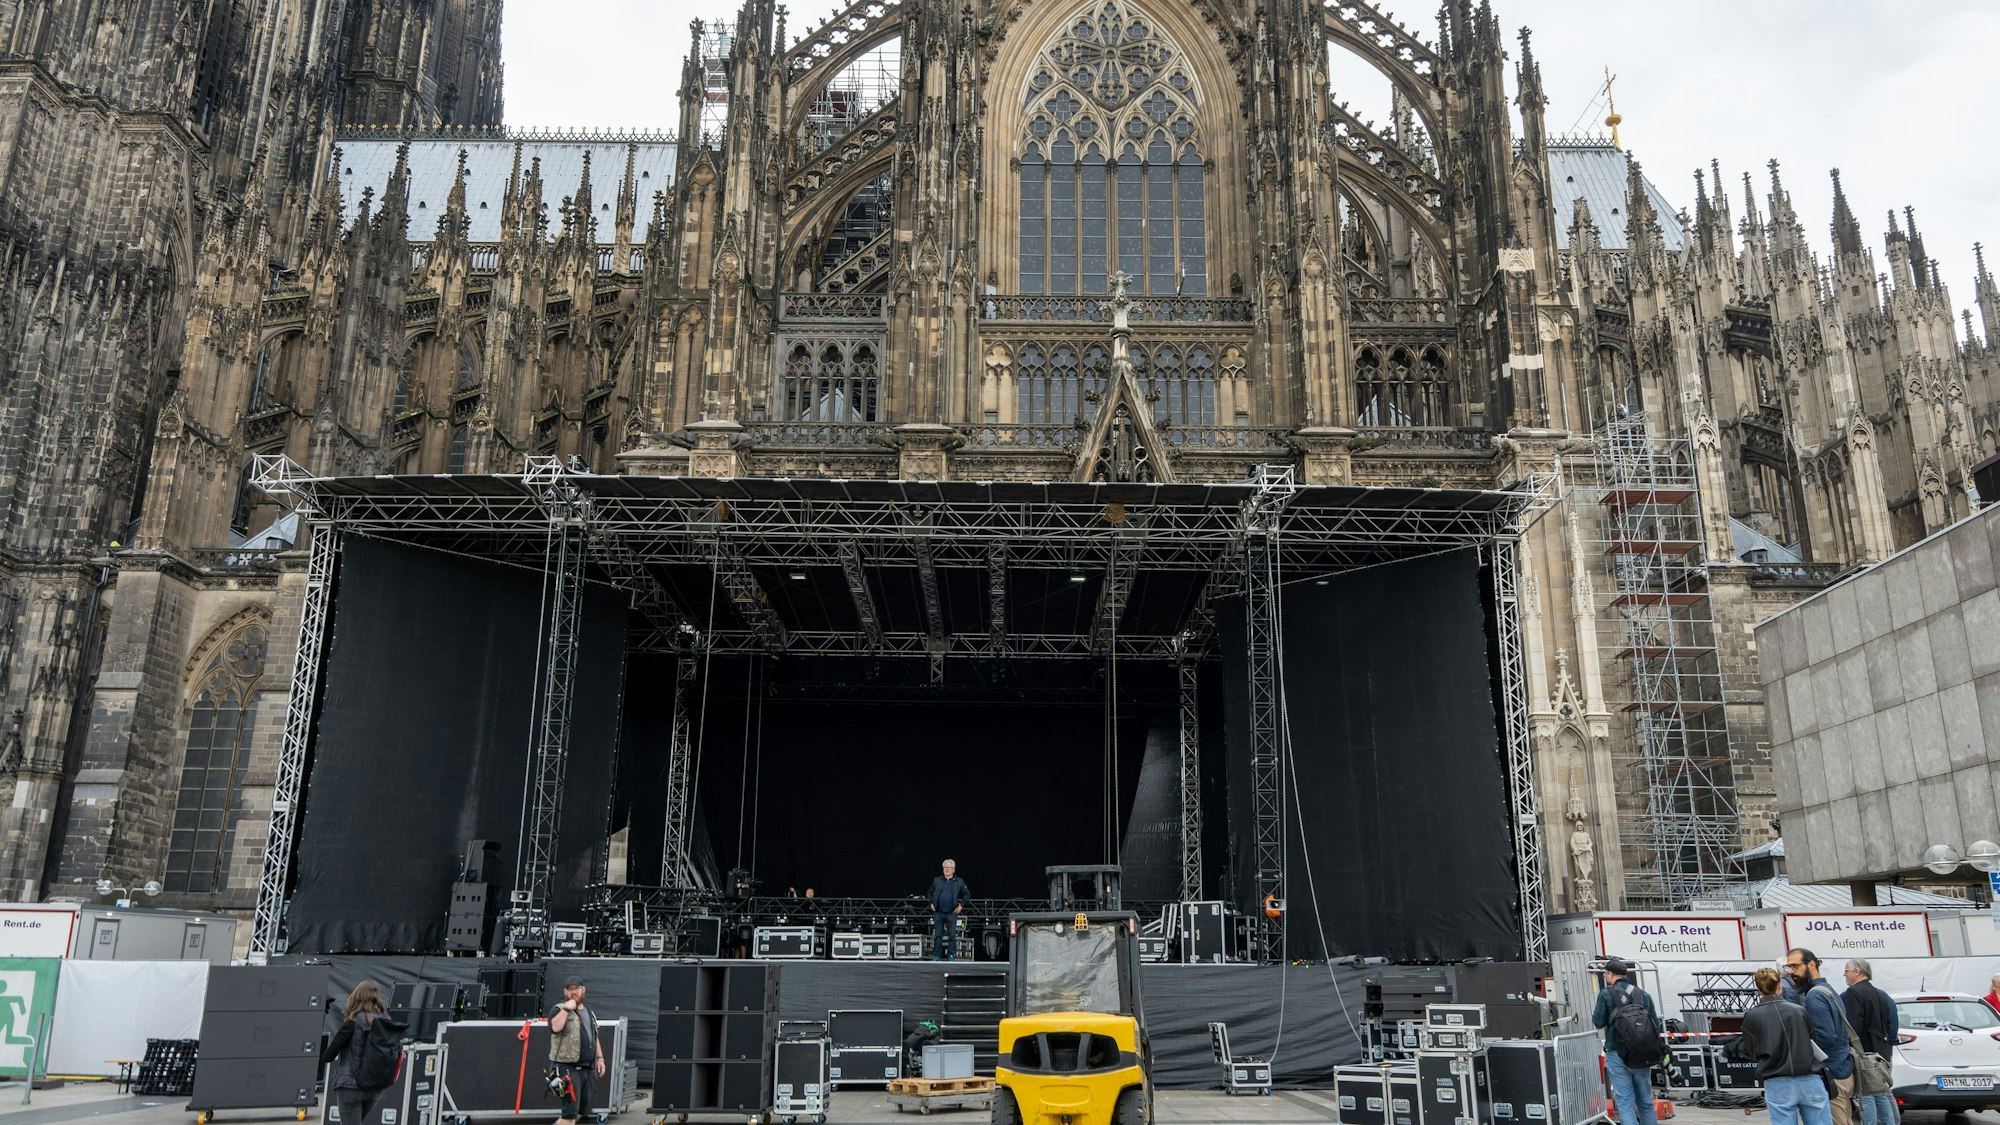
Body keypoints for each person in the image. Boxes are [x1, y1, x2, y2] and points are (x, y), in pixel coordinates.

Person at [1730, 967, 1833, 1125]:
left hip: (1777, 1078)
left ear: (1759, 989)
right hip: (1808, 1076)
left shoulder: (1752, 1016)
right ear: (1780, 986)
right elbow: (1813, 1041)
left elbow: (1752, 1051)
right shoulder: (1799, 1011)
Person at [1787, 948, 1855, 1125]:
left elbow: (1825, 1037)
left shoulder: (1814, 995)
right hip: (1842, 1067)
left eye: (1795, 966)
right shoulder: (1827, 989)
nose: (1792, 972)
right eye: (1789, 967)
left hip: (1832, 1071)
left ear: (1811, 964)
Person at [1591, 958, 1660, 1125]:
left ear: (1610, 974)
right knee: (1645, 1102)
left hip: (1617, 1053)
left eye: (1606, 973)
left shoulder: (1606, 994)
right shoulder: (1643, 995)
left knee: (1625, 1102)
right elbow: (1655, 1026)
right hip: (1643, 1055)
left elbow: (1598, 1022)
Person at [321, 980, 397, 1125]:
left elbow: (328, 1056)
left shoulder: (351, 1023)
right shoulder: (385, 1023)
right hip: (374, 1088)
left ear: (356, 997)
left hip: (350, 1086)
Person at [1841, 959, 1899, 1125]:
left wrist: (1848, 1049)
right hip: (1880, 1052)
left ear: (1857, 971)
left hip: (1864, 1053)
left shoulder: (1853, 993)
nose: (1844, 974)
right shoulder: (1877, 992)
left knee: (1866, 1096)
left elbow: (1853, 1027)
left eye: (1847, 970)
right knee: (1880, 1094)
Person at [548, 976, 605, 1125]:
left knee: (579, 1111)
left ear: (583, 990)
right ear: (565, 992)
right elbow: (555, 1027)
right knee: (569, 1114)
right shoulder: (559, 1009)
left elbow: (595, 1036)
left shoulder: (589, 1012)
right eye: (570, 989)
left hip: (587, 1068)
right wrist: (568, 1007)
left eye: (577, 988)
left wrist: (600, 1058)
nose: (574, 992)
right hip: (567, 1068)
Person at [927, 858, 969, 962]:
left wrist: (961, 905)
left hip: (952, 912)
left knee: (952, 936)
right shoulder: (936, 880)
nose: (947, 869)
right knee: (938, 936)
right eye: (945, 867)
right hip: (938, 912)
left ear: (953, 869)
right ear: (943, 869)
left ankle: (951, 955)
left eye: (949, 867)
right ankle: (937, 955)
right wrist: (931, 902)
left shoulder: (959, 881)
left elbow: (967, 894)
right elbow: (930, 892)